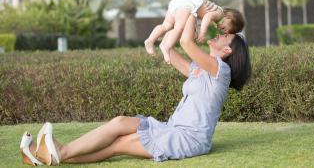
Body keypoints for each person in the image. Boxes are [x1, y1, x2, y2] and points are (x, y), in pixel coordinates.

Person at [19, 12, 251, 166]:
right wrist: (171, 25)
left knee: (119, 145)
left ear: (228, 51)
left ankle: (58, 154)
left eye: (225, 36)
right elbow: (169, 50)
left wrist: (193, 8)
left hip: (188, 139)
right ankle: (51, 155)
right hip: (171, 127)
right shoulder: (199, 70)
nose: (220, 34)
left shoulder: (221, 71)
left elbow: (186, 43)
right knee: (120, 122)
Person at [144, 0, 245, 64]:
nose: (220, 29)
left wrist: (196, 30)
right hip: (188, 4)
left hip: (179, 2)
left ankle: (150, 40)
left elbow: (199, 18)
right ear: (229, 17)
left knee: (166, 25)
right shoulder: (219, 13)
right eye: (224, 28)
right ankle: (166, 47)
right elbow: (206, 17)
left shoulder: (218, 16)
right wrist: (202, 33)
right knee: (179, 28)